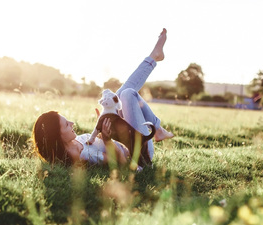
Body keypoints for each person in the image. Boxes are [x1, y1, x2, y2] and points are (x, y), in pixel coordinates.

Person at [32, 28, 174, 166]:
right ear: (56, 136)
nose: (72, 123)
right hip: (139, 154)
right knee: (127, 94)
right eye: (66, 125)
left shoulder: (74, 142)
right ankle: (158, 128)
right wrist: (106, 139)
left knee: (118, 96)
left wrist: (104, 124)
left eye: (67, 121)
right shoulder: (80, 156)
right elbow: (122, 163)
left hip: (127, 137)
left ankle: (153, 57)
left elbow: (99, 143)